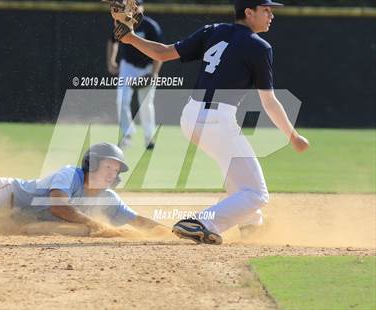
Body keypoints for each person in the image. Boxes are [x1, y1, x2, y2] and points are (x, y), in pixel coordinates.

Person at [111, 0, 310, 244]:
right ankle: (201, 222)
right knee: (257, 193)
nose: (271, 15)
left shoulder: (212, 31)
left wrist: (129, 38)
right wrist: (293, 136)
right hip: (218, 120)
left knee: (236, 172)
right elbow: (269, 102)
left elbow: (162, 53)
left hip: (191, 117)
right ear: (249, 13)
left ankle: (252, 224)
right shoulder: (260, 47)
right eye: (266, 10)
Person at [0, 143, 169, 237]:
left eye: (115, 170)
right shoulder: (70, 174)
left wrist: (168, 232)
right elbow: (59, 207)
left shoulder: (108, 198)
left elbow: (136, 220)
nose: (111, 174)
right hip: (3, 195)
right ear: (91, 165)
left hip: (13, 216)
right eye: (107, 167)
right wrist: (93, 223)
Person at [106, 0, 163, 149]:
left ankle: (149, 137)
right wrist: (111, 61)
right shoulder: (123, 22)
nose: (135, 7)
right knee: (122, 100)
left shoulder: (150, 26)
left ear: (142, 7)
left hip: (147, 68)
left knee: (146, 104)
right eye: (132, 5)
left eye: (137, 5)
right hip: (128, 67)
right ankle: (127, 136)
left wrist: (154, 73)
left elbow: (160, 52)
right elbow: (113, 40)